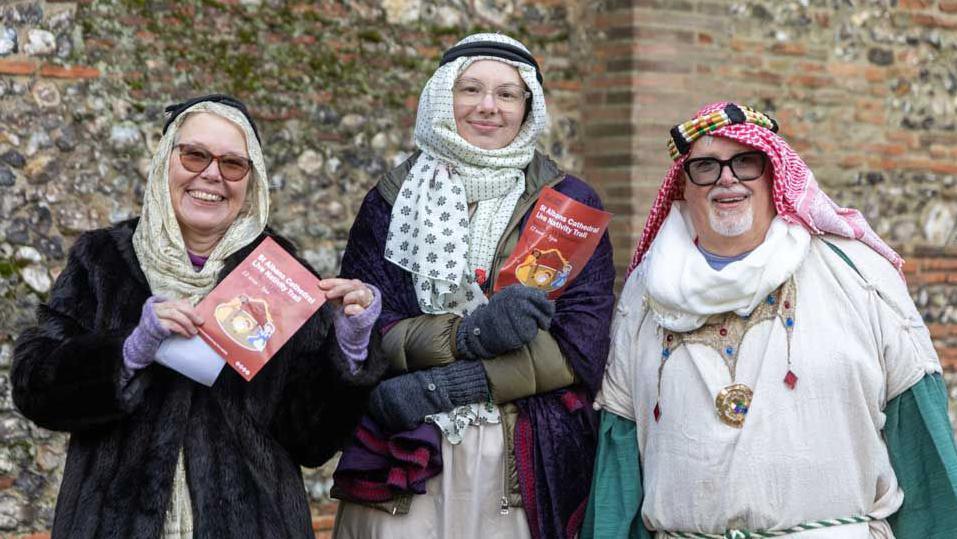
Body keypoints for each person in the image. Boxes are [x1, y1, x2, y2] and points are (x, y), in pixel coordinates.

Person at [12, 94, 387, 538]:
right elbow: (34, 387)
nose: (211, 175)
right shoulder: (103, 261)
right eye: (194, 155)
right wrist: (130, 350)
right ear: (164, 161)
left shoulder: (278, 275)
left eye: (233, 164)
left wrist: (350, 344)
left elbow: (311, 439)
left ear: (253, 180)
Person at [583, 102, 957, 538]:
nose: (727, 178)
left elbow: (922, 450)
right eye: (706, 167)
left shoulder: (858, 275)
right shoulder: (646, 292)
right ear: (683, 186)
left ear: (774, 173)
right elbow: (619, 465)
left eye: (746, 162)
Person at [330, 33, 616, 538]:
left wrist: (450, 383)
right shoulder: (392, 199)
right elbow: (370, 323)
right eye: (471, 90)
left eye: (507, 94)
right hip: (407, 450)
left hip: (523, 461)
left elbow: (582, 343)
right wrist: (467, 336)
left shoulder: (569, 203)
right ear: (444, 96)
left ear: (528, 107)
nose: (489, 107)